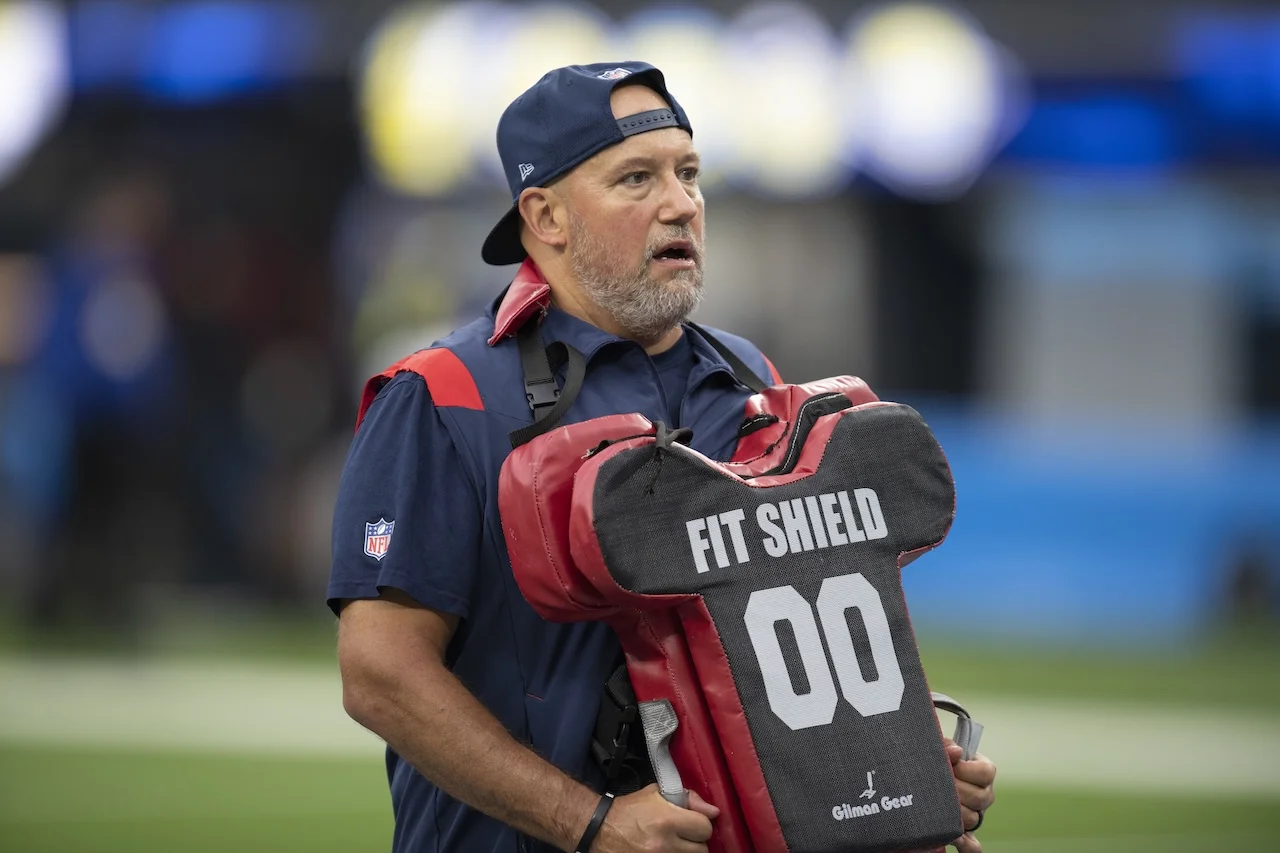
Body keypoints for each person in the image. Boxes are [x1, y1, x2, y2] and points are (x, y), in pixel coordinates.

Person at [330, 61, 996, 853]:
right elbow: (381, 674)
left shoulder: (751, 382)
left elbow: (781, 653)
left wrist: (902, 774)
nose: (680, 204)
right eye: (636, 179)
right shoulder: (443, 396)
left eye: (689, 173)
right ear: (546, 216)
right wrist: (590, 824)